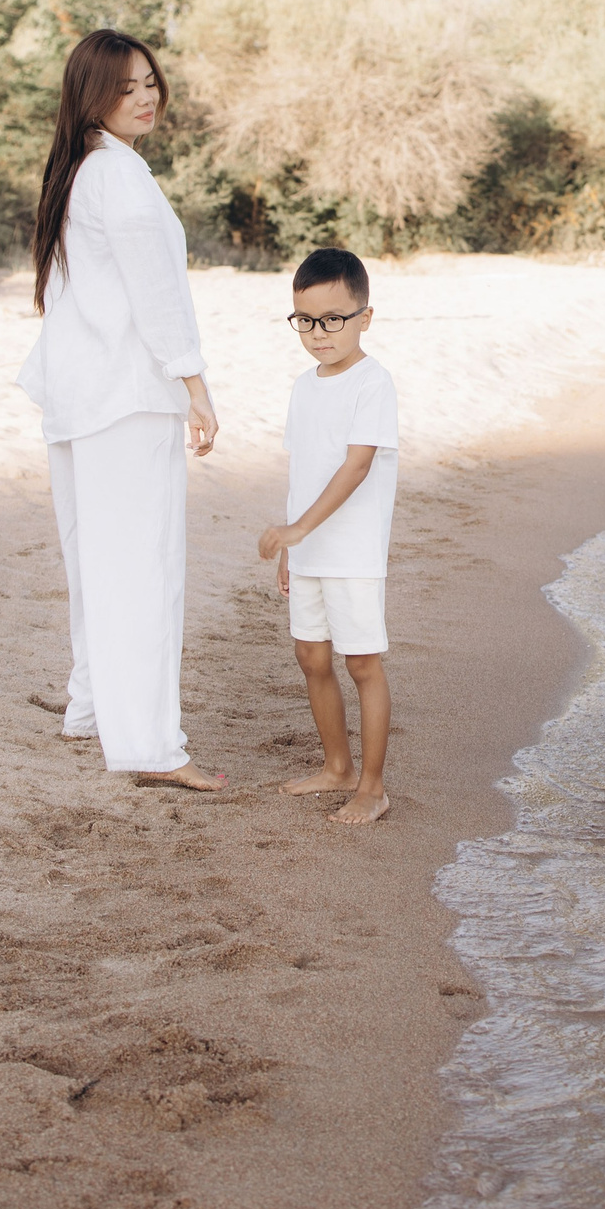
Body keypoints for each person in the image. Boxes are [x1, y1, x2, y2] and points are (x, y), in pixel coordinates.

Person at [16, 29, 225, 792]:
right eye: (126, 85)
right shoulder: (120, 175)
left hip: (79, 394)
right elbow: (156, 295)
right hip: (123, 395)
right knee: (142, 565)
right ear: (92, 96)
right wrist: (194, 384)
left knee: (95, 558)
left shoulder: (84, 171)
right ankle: (152, 746)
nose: (145, 96)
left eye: (149, 81)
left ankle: (93, 707)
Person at [258, 247, 400, 826]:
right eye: (306, 321)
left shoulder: (373, 383)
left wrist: (298, 529)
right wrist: (294, 546)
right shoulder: (303, 386)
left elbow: (355, 467)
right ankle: (337, 767)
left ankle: (372, 786)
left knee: (361, 662)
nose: (320, 334)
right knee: (311, 656)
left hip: (354, 553)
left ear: (364, 317)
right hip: (311, 548)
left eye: (333, 319)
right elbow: (305, 470)